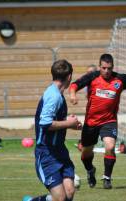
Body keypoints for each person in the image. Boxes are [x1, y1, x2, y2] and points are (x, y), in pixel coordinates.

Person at [69, 53, 126, 189]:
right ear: (99, 67)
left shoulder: (120, 79)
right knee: (86, 153)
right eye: (104, 68)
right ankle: (90, 170)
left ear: (112, 67)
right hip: (91, 122)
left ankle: (107, 178)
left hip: (109, 121)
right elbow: (75, 85)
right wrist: (73, 95)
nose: (106, 71)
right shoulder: (92, 77)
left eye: (109, 68)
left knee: (110, 146)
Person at [22, 60, 82, 201]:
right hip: (47, 153)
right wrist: (68, 123)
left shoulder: (56, 94)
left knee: (69, 192)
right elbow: (45, 123)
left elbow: (51, 118)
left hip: (60, 151)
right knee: (60, 198)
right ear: (69, 77)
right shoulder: (54, 96)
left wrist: (69, 122)